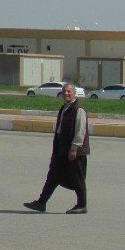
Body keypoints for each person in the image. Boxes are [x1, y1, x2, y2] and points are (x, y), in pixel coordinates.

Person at [23, 83, 90, 214]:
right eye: (64, 92)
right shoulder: (65, 107)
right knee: (53, 175)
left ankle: (82, 205)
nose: (66, 94)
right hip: (61, 150)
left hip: (74, 151)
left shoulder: (78, 109)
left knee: (78, 178)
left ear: (74, 93)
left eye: (69, 92)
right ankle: (41, 203)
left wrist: (74, 148)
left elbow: (80, 131)